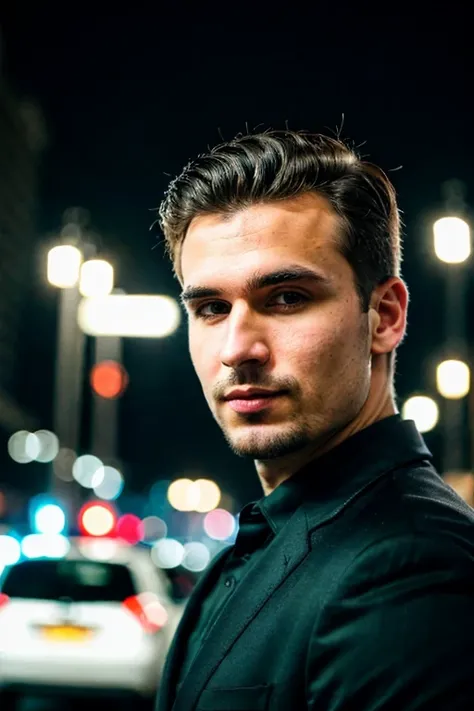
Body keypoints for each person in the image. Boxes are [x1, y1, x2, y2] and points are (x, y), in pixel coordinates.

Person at [155, 130, 474, 711]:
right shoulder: (272, 541)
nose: (237, 348)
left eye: (286, 298)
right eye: (211, 308)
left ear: (384, 316)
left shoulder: (412, 570)